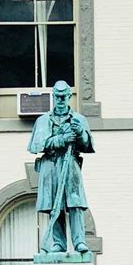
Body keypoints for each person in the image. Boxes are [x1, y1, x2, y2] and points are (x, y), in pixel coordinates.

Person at [28, 80, 95, 254]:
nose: (60, 100)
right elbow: (37, 145)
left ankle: (79, 240)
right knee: (53, 205)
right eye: (57, 96)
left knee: (75, 203)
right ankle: (59, 243)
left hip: (70, 163)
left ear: (69, 97)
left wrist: (80, 133)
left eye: (63, 96)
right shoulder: (43, 121)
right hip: (50, 165)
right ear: (53, 96)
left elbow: (87, 145)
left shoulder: (79, 119)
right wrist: (61, 139)